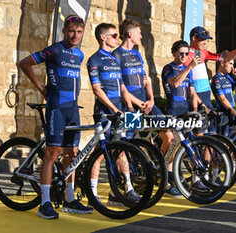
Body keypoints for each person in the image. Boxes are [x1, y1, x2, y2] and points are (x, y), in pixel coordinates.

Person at [18, 15, 93, 219]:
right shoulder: (55, 50)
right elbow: (24, 63)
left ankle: (69, 199)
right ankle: (44, 203)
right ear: (64, 31)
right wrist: (42, 89)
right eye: (71, 31)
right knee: (53, 152)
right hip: (56, 107)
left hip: (73, 109)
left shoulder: (79, 54)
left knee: (72, 153)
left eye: (79, 32)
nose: (75, 35)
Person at [111, 19, 179, 196]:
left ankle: (161, 173)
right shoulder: (116, 55)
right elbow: (122, 87)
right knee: (126, 145)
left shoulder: (137, 55)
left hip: (147, 103)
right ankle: (127, 184)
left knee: (171, 136)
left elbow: (146, 79)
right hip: (131, 107)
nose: (141, 36)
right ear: (130, 34)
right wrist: (138, 104)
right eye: (139, 33)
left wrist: (151, 100)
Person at [86, 23, 142, 205]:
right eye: (114, 35)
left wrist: (131, 106)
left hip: (120, 111)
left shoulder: (114, 59)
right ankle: (92, 193)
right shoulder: (94, 60)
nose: (117, 39)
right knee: (100, 153)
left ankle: (124, 189)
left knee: (122, 149)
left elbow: (123, 87)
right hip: (105, 113)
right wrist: (114, 108)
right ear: (103, 37)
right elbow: (96, 89)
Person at [184, 26, 236, 135]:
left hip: (207, 96)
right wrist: (199, 102)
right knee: (198, 136)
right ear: (194, 38)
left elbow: (225, 58)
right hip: (196, 97)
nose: (205, 42)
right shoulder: (185, 55)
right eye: (202, 39)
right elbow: (187, 83)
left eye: (206, 40)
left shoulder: (203, 53)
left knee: (210, 138)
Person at [161, 40, 211, 191]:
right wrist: (189, 67)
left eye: (186, 54)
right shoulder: (168, 68)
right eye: (181, 53)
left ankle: (191, 177)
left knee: (190, 145)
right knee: (174, 145)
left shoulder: (187, 70)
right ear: (174, 53)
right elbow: (175, 83)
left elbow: (192, 92)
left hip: (186, 110)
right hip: (173, 110)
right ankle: (168, 177)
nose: (184, 56)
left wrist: (196, 110)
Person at [211, 51, 236, 138]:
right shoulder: (217, 78)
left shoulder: (228, 77)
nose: (232, 67)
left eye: (233, 64)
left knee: (232, 142)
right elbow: (223, 100)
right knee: (223, 143)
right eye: (230, 63)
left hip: (232, 113)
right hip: (224, 115)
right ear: (222, 63)